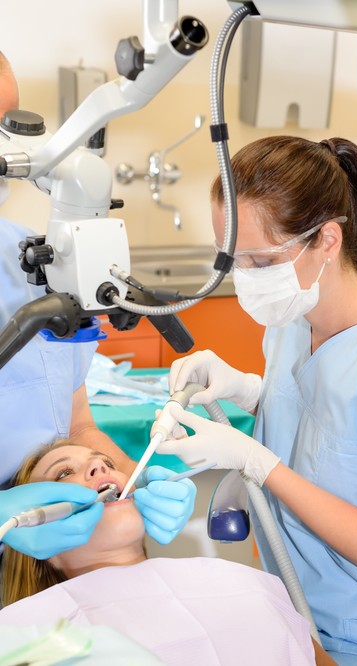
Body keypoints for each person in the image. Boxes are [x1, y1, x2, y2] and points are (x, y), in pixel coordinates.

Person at [155, 135, 357, 666]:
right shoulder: (292, 322)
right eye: (234, 260)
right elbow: (326, 430)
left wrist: (256, 461)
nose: (245, 279)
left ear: (327, 239)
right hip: (290, 611)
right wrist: (249, 390)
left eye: (262, 260)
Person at [0, 50, 195, 565]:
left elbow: (79, 426)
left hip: (46, 558)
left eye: (6, 122)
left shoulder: (34, 260)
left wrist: (132, 478)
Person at [0, 440, 337, 666]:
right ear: (30, 530)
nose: (99, 467)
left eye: (106, 462)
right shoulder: (28, 635)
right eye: (63, 473)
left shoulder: (246, 582)